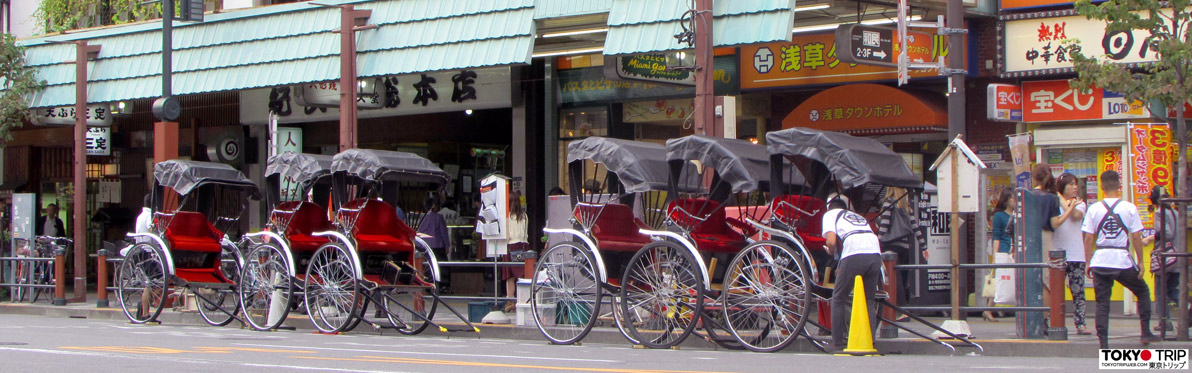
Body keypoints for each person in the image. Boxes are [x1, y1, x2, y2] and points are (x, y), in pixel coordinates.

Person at [1081, 170, 1159, 349]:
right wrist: (1140, 261)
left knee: (1102, 302)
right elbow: (1137, 238)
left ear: (1101, 187)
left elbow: (1087, 238)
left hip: (1100, 260)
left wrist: (1087, 262)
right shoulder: (1129, 208)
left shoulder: (1094, 208)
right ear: (1119, 186)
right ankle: (1145, 332)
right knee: (1142, 291)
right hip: (1122, 260)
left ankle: (1104, 342)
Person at [822, 192, 881, 353]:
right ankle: (871, 341)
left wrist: (829, 250)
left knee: (838, 298)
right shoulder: (856, 217)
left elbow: (832, 241)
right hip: (875, 251)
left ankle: (837, 343)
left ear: (829, 206)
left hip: (854, 251)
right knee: (869, 300)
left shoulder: (830, 215)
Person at [875, 187, 922, 320]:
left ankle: (900, 311)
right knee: (901, 277)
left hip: (891, 246)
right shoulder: (905, 205)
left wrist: (877, 243)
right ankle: (902, 310)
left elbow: (884, 225)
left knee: (894, 280)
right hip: (905, 247)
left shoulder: (888, 203)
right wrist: (924, 247)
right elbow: (915, 227)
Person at [1053, 173, 1091, 335]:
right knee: (1055, 291)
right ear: (1062, 187)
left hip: (1076, 254)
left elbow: (1075, 216)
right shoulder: (1054, 203)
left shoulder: (1080, 204)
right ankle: (1053, 321)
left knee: (1078, 292)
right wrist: (1059, 199)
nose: (1075, 187)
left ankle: (1080, 323)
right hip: (1057, 253)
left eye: (1076, 184)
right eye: (1070, 184)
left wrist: (1062, 200)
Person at [1143, 186, 1179, 332]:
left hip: (1166, 258)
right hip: (1178, 257)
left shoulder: (1159, 213)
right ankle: (1187, 309)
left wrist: (1150, 238)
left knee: (1161, 291)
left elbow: (1166, 234)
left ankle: (1165, 322)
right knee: (1173, 291)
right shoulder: (1175, 212)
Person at [1030, 164, 1062, 305]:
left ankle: (1033, 314)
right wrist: (1068, 212)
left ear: (1034, 178)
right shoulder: (1052, 198)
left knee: (1031, 276)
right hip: (1045, 238)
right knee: (1046, 278)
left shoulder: (1025, 196)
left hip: (1028, 237)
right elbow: (1055, 223)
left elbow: (1012, 223)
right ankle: (1046, 316)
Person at [988, 188, 1018, 322]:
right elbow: (996, 236)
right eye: (1013, 198)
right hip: (1004, 251)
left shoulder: (1017, 214)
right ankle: (988, 309)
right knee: (1001, 279)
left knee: (1012, 279)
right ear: (1006, 201)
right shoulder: (999, 216)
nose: (1015, 201)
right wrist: (995, 256)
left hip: (1015, 250)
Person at [503, 190, 530, 313]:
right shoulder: (524, 216)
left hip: (510, 247)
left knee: (510, 277)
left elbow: (507, 236)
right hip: (524, 246)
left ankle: (510, 302)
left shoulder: (507, 217)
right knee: (523, 276)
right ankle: (523, 300)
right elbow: (525, 234)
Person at [417, 197, 451, 293]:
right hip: (438, 245)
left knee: (428, 266)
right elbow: (443, 232)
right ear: (433, 206)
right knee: (442, 266)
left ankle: (429, 284)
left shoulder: (421, 218)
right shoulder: (438, 217)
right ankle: (443, 286)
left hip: (425, 245)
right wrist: (447, 245)